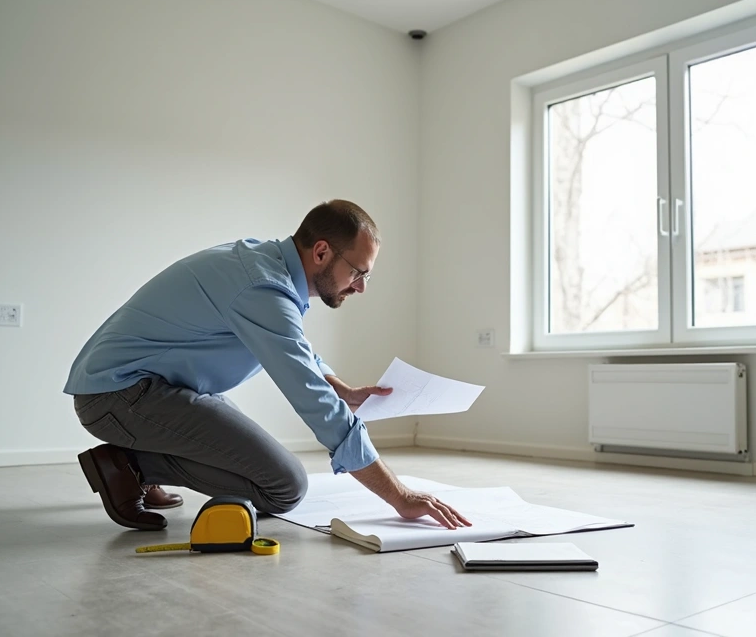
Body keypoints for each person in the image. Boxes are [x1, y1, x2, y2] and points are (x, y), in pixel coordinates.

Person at [63, 200, 471, 532]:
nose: (361, 286)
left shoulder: (267, 266)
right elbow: (313, 400)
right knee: (284, 487)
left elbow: (297, 348)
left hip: (150, 388)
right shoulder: (262, 288)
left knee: (244, 454)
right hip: (118, 394)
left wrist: (341, 388)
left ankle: (143, 462)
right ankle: (128, 465)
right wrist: (400, 496)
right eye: (358, 272)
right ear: (322, 251)